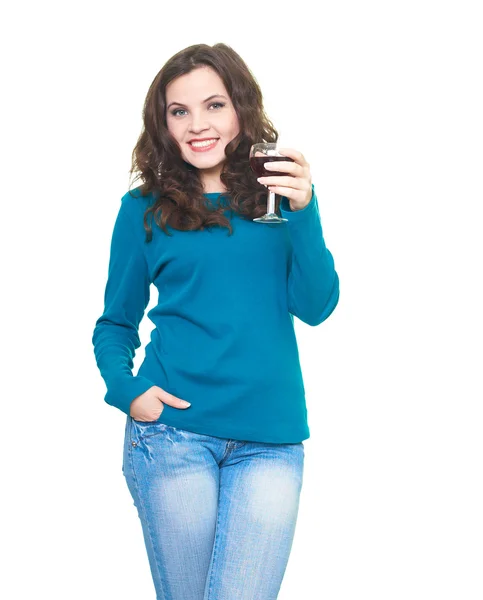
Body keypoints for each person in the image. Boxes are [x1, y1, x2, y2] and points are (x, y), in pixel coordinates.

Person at [91, 42, 340, 600]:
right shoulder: (144, 210)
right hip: (172, 436)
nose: (198, 125)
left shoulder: (278, 203)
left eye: (214, 106)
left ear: (241, 111)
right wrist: (129, 392)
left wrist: (305, 212)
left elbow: (317, 306)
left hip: (271, 441)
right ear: (164, 124)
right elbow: (115, 323)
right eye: (179, 111)